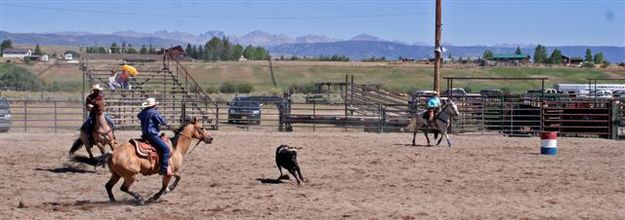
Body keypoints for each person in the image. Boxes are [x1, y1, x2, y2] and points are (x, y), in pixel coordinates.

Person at [138, 98, 171, 176]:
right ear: (154, 105)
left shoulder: (143, 112)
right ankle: (163, 169)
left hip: (144, 135)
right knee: (166, 149)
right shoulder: (154, 112)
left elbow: (138, 116)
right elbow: (163, 121)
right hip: (152, 135)